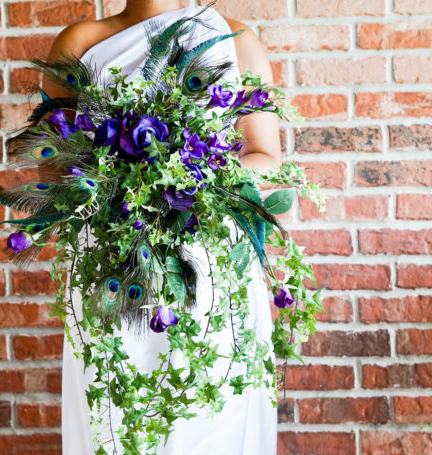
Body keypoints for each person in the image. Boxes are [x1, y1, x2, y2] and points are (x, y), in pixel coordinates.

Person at [39, 1, 283, 453]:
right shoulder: (78, 43)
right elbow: (54, 165)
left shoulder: (236, 41)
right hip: (112, 265)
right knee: (114, 412)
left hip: (209, 264)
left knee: (213, 413)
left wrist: (189, 182)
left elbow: (266, 156)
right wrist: (117, 183)